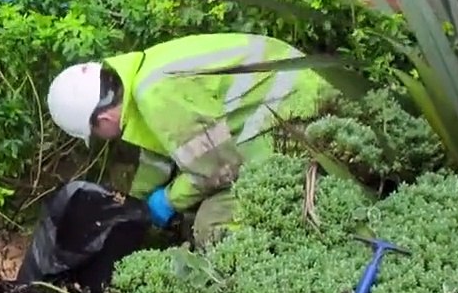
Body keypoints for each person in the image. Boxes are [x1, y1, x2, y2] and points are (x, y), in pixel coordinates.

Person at [45, 32, 328, 249]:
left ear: (103, 120)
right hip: (282, 100)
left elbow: (219, 169)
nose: (101, 139)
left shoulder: (158, 95)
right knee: (194, 205)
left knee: (211, 225)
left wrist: (167, 201)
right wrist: (132, 204)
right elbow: (157, 154)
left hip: (299, 119)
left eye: (95, 135)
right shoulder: (138, 79)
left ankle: (292, 260)